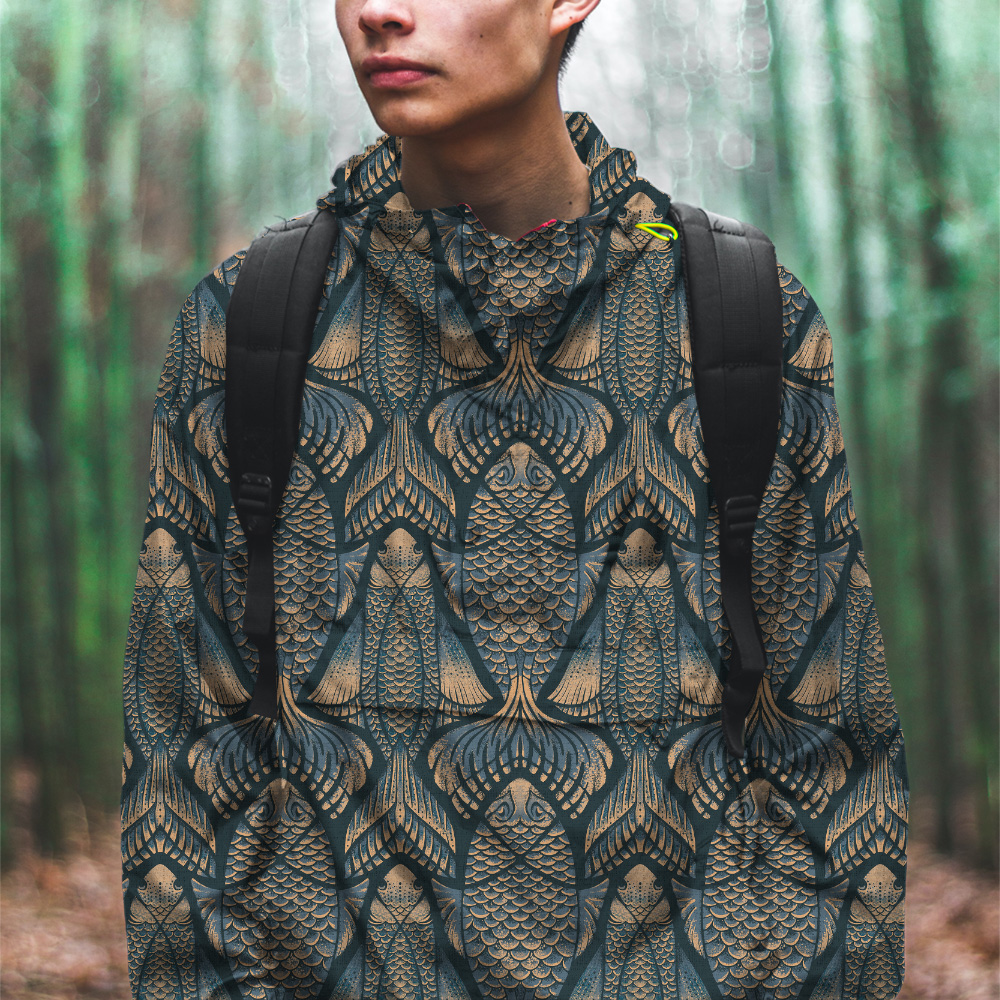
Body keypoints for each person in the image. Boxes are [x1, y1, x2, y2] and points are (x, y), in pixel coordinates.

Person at [120, 0, 909, 997]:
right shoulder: (249, 323)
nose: (377, 13)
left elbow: (834, 773)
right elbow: (179, 779)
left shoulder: (743, 318)